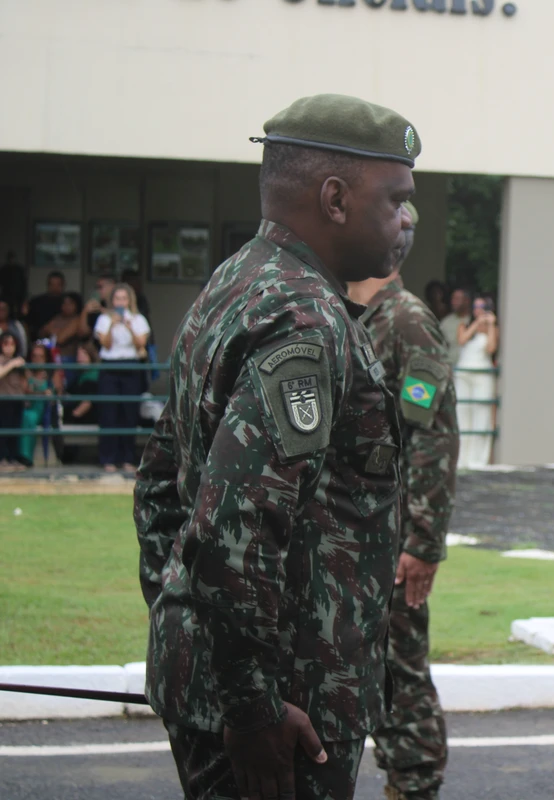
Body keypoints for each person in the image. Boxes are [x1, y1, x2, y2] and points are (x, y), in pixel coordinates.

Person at [133, 93, 419, 800]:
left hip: (242, 690)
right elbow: (235, 525)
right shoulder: (304, 318)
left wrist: (184, 628)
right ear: (335, 199)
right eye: (395, 199)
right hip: (289, 708)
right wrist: (251, 704)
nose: (406, 219)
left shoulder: (236, 281)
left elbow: (159, 484)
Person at [348, 202, 458, 800]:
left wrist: (422, 542)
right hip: (352, 536)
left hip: (391, 543)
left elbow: (431, 438)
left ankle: (413, 784)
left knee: (398, 670)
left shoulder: (408, 321)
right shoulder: (352, 316)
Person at [94, 283, 151, 472]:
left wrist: (129, 326)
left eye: (124, 299)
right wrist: (112, 324)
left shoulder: (138, 319)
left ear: (129, 301)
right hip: (110, 366)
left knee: (129, 413)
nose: (120, 302)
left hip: (130, 366)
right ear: (112, 301)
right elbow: (105, 344)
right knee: (109, 413)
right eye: (117, 298)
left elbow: (141, 344)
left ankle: (127, 458)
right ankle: (108, 459)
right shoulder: (104, 319)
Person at [455, 294, 498, 468]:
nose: (478, 310)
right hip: (463, 374)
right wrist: (476, 324)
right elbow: (462, 339)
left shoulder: (492, 328)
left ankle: (478, 460)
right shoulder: (464, 324)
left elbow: (491, 348)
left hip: (482, 374)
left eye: (482, 307)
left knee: (481, 414)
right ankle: (462, 459)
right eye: (476, 307)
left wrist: (491, 325)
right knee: (462, 413)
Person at [17, 341, 57, 467]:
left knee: (28, 417)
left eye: (41, 357)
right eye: (34, 356)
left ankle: (25, 458)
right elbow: (23, 391)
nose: (37, 360)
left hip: (44, 411)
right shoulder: (26, 373)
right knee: (25, 416)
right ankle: (18, 456)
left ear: (46, 359)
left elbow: (56, 394)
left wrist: (47, 394)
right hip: (27, 408)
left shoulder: (52, 374)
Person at [0, 332, 26, 471]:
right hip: (3, 401)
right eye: (6, 344)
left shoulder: (19, 361)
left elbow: (24, 382)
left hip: (17, 400)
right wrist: (11, 364)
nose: (9, 347)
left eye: (12, 344)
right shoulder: (3, 360)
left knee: (15, 431)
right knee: (4, 431)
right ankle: (2, 460)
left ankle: (12, 459)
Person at [40, 293, 91, 361]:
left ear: (76, 305)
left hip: (69, 358)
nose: (67, 306)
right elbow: (42, 332)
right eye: (64, 303)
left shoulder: (77, 319)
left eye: (70, 303)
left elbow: (60, 339)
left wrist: (54, 331)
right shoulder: (58, 318)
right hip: (53, 356)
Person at [24, 271, 67, 339]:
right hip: (38, 339)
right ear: (48, 285)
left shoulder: (68, 303)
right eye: (52, 285)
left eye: (58, 285)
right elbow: (28, 324)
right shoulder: (36, 302)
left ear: (63, 285)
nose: (55, 288)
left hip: (63, 338)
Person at [439, 287, 471, 366]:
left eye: (457, 299)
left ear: (466, 301)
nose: (453, 302)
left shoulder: (474, 320)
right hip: (450, 365)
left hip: (470, 366)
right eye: (452, 299)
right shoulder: (446, 322)